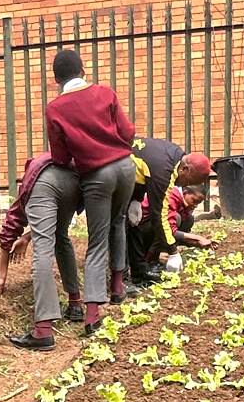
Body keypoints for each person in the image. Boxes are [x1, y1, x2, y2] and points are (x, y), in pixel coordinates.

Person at [44, 49, 136, 334]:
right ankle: (118, 286)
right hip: (126, 166)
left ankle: (92, 312)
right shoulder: (105, 93)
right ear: (83, 71)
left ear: (56, 79)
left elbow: (59, 156)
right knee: (118, 222)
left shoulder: (55, 109)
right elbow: (129, 132)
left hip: (97, 175)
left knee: (97, 241)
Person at [0, 152, 84, 351]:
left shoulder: (31, 181)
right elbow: (53, 227)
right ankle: (75, 305)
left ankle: (43, 331)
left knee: (43, 248)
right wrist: (26, 237)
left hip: (47, 184)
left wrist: (2, 273)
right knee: (61, 237)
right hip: (75, 181)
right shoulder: (53, 161)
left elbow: (11, 224)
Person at [127, 150, 213, 282]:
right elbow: (163, 222)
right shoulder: (169, 189)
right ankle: (147, 262)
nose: (195, 205)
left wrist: (197, 243)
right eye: (194, 201)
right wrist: (176, 250)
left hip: (147, 226)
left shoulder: (181, 201)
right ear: (185, 192)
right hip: (138, 226)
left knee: (187, 219)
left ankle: (154, 258)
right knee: (172, 221)